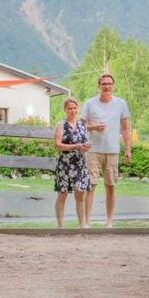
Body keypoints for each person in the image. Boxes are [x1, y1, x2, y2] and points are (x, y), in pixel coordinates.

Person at [80, 73, 131, 227]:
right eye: (104, 84)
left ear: (113, 86)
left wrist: (128, 149)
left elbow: (126, 128)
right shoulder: (90, 104)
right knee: (91, 186)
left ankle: (109, 221)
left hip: (112, 150)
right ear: (99, 86)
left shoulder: (121, 104)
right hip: (93, 150)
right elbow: (80, 126)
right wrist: (94, 127)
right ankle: (86, 222)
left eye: (109, 84)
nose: (107, 86)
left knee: (110, 186)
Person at [53, 97, 92, 228]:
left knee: (81, 194)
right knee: (63, 193)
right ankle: (60, 226)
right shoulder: (61, 125)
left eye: (75, 108)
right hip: (65, 164)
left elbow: (84, 142)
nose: (72, 111)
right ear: (65, 109)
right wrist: (75, 146)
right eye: (70, 108)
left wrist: (85, 146)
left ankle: (82, 225)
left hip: (80, 163)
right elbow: (57, 145)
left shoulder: (82, 125)